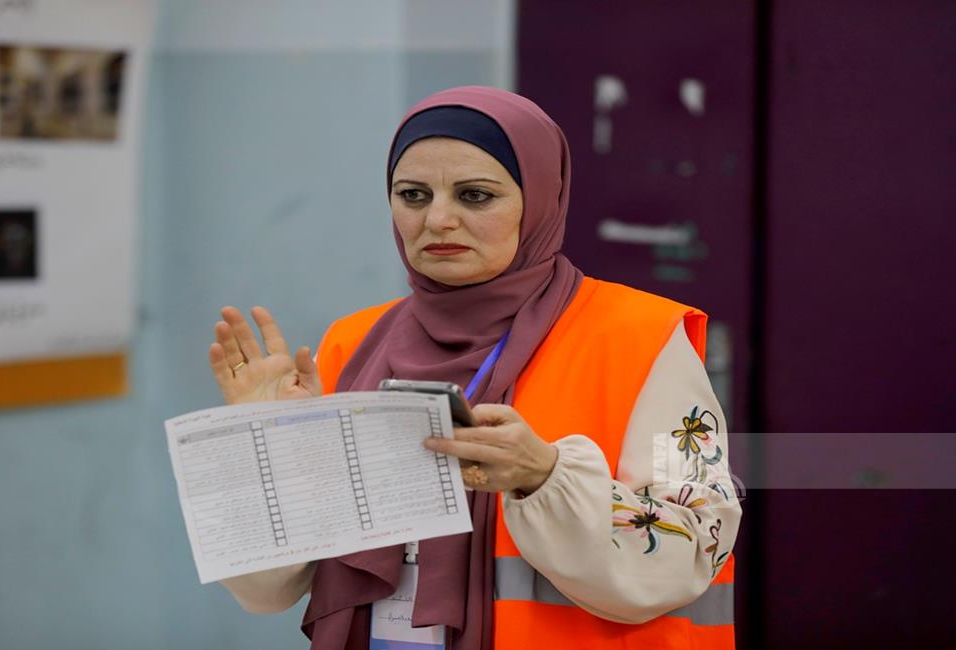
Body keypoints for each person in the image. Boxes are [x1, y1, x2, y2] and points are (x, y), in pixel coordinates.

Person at [206, 86, 740, 650]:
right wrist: (268, 451)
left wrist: (546, 478)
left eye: (475, 196)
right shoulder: (350, 343)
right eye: (413, 195)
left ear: (540, 200)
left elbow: (696, 546)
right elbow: (265, 592)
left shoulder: (639, 338)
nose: (438, 219)